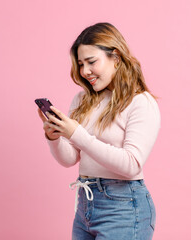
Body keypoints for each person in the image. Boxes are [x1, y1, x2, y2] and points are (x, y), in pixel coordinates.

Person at [37, 22, 161, 240]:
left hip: (124, 208)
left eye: (91, 62)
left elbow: (132, 165)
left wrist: (77, 134)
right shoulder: (82, 100)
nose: (85, 71)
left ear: (116, 57)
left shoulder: (141, 102)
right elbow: (70, 159)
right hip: (86, 203)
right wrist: (54, 137)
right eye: (80, 64)